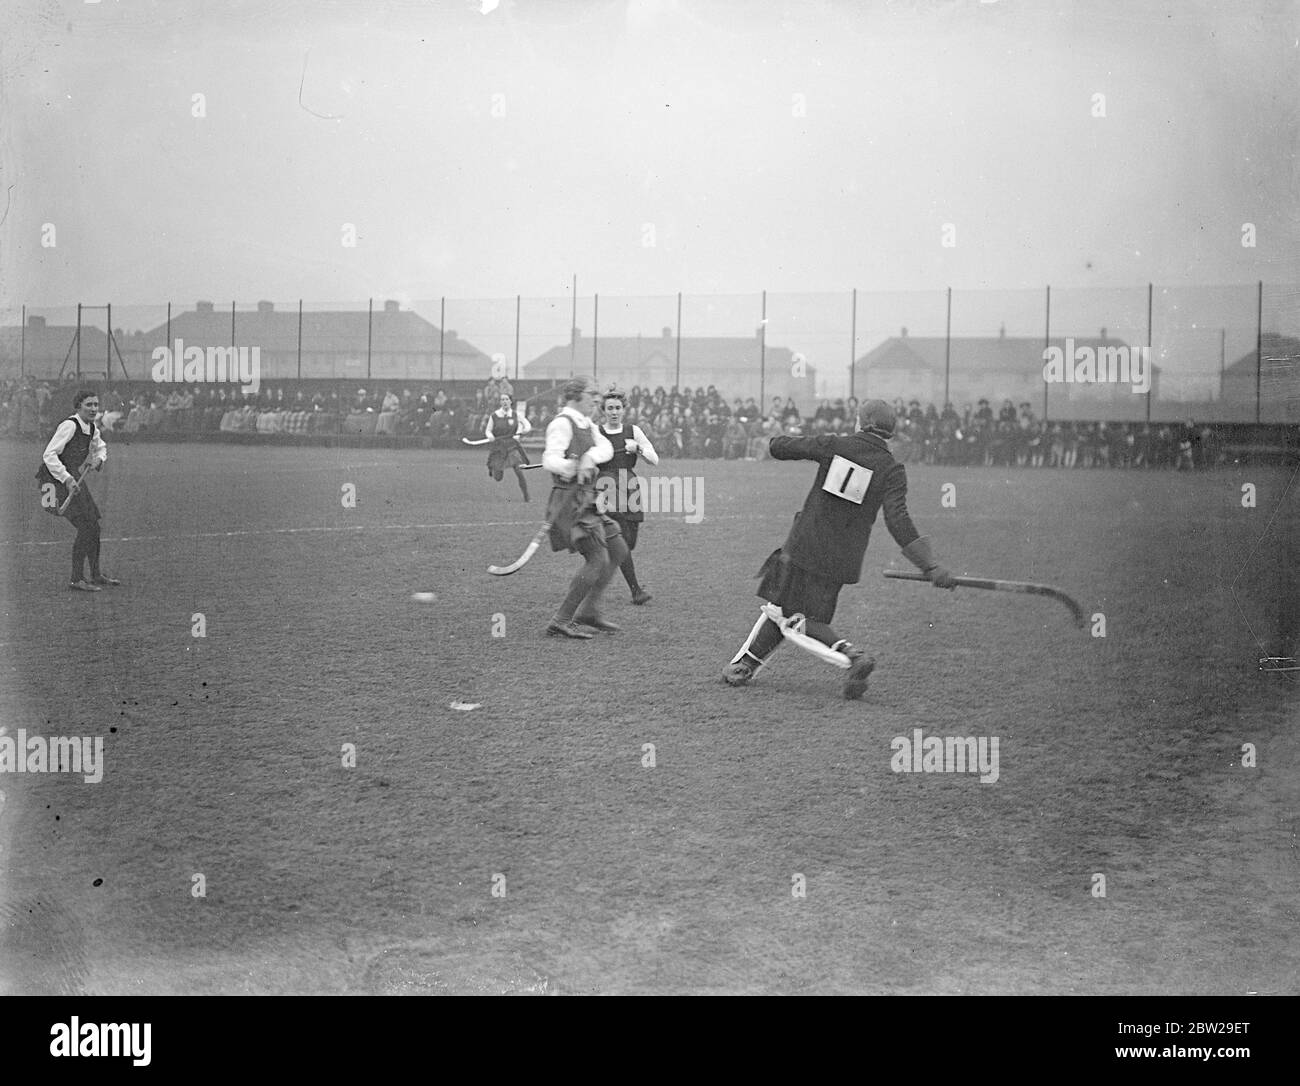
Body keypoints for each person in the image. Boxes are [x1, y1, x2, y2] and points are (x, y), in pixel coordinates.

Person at [722, 400, 956, 699]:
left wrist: (779, 440)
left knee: (789, 613)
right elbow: (899, 520)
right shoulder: (892, 469)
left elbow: (780, 447)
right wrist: (929, 565)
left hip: (805, 546)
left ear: (862, 422)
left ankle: (851, 656)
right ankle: (745, 665)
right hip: (842, 559)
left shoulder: (835, 445)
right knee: (795, 612)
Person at [542, 376, 632, 638]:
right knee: (597, 558)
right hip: (570, 500)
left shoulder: (588, 424)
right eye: (591, 393)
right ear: (575, 395)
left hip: (588, 499)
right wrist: (570, 466)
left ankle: (589, 611)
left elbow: (605, 448)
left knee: (617, 549)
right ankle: (561, 619)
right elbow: (549, 459)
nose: (597, 399)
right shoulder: (562, 423)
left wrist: (588, 458)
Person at [37, 390, 119, 592]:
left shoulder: (91, 428)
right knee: (86, 526)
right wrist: (66, 479)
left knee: (94, 526)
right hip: (53, 481)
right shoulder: (69, 425)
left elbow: (101, 447)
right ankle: (76, 579)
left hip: (72, 478)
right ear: (78, 407)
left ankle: (96, 574)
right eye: (88, 405)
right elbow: (49, 455)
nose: (93, 409)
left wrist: (99, 459)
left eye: (95, 405)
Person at [597, 388, 660, 605]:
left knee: (629, 542)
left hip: (630, 486)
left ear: (624, 410)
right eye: (610, 408)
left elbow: (655, 460)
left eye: (617, 408)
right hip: (606, 487)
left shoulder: (633, 431)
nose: (614, 412)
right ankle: (636, 591)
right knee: (622, 540)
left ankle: (607, 559)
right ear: (603, 411)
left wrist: (638, 449)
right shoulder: (597, 433)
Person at [484, 392, 533, 500]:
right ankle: (494, 468)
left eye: (506, 399)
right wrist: (490, 436)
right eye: (502, 400)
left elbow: (527, 425)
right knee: (498, 478)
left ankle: (526, 495)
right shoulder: (495, 415)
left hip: (512, 446)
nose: (504, 401)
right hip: (498, 447)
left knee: (518, 470)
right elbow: (488, 430)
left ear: (511, 401)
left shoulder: (516, 415)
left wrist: (524, 431)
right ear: (500, 402)